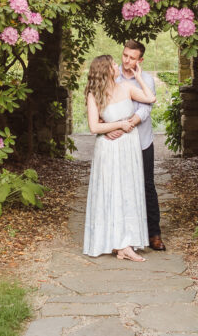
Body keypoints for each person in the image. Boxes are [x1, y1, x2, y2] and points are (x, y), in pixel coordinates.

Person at [82, 54, 156, 261]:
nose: (118, 66)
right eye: (114, 64)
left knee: (128, 192)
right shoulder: (94, 94)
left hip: (129, 147)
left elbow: (150, 98)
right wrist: (118, 125)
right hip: (109, 149)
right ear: (106, 70)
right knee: (111, 192)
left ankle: (126, 243)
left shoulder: (126, 88)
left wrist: (139, 78)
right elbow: (94, 126)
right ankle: (118, 243)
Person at [104, 40, 164, 251]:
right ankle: (120, 235)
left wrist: (126, 124)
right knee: (120, 187)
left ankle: (154, 233)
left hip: (141, 141)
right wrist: (107, 125)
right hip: (117, 144)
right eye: (125, 56)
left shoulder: (146, 79)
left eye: (132, 57)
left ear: (141, 59)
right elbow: (102, 104)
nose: (126, 61)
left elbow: (146, 108)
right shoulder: (111, 75)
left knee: (147, 185)